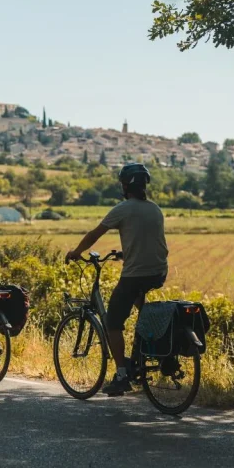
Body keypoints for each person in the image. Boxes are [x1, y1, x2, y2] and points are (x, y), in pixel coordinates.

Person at [65, 163, 169, 396]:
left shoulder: (123, 208)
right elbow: (146, 238)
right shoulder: (155, 209)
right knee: (139, 304)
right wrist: (126, 253)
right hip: (159, 271)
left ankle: (122, 374)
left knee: (113, 321)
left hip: (136, 274)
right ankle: (144, 350)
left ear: (125, 185)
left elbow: (94, 234)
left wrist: (76, 252)